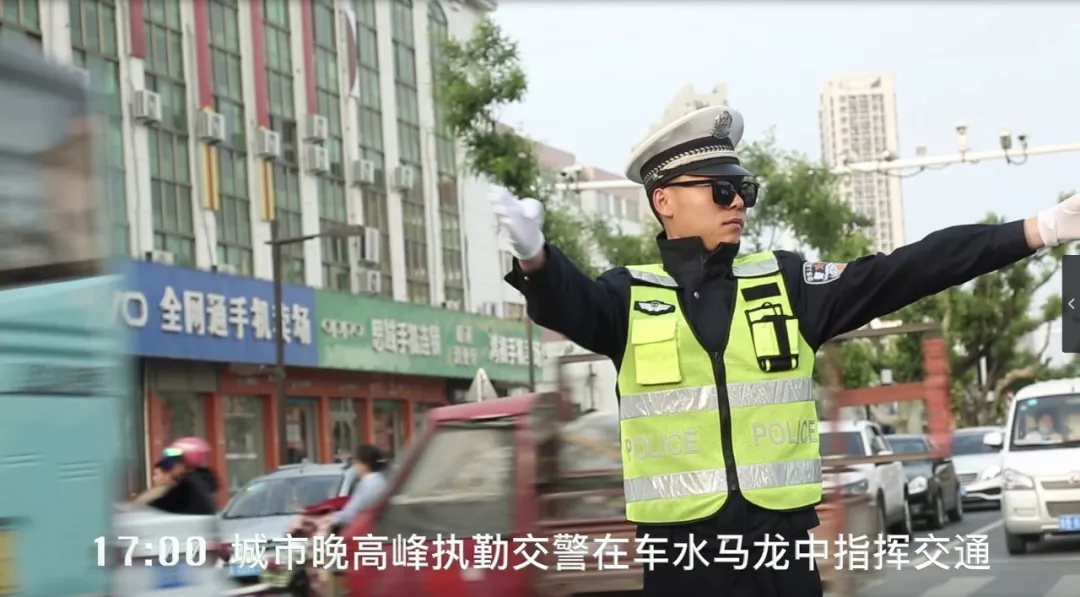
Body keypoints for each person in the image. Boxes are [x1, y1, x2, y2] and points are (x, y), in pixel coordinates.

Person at [492, 104, 1079, 597]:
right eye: (722, 190)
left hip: (781, 557)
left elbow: (909, 269)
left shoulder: (788, 284)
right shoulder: (628, 297)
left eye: (744, 189)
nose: (738, 203)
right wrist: (537, 258)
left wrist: (1039, 229)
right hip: (681, 564)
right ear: (664, 199)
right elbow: (568, 303)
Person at [148, 437, 220, 516]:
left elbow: (158, 505)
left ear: (184, 464)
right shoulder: (204, 479)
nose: (170, 466)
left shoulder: (186, 486)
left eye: (173, 461)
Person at [330, 444, 388, 534]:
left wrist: (330, 519)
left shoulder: (369, 484)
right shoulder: (380, 481)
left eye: (356, 462)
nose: (355, 466)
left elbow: (351, 513)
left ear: (365, 464)